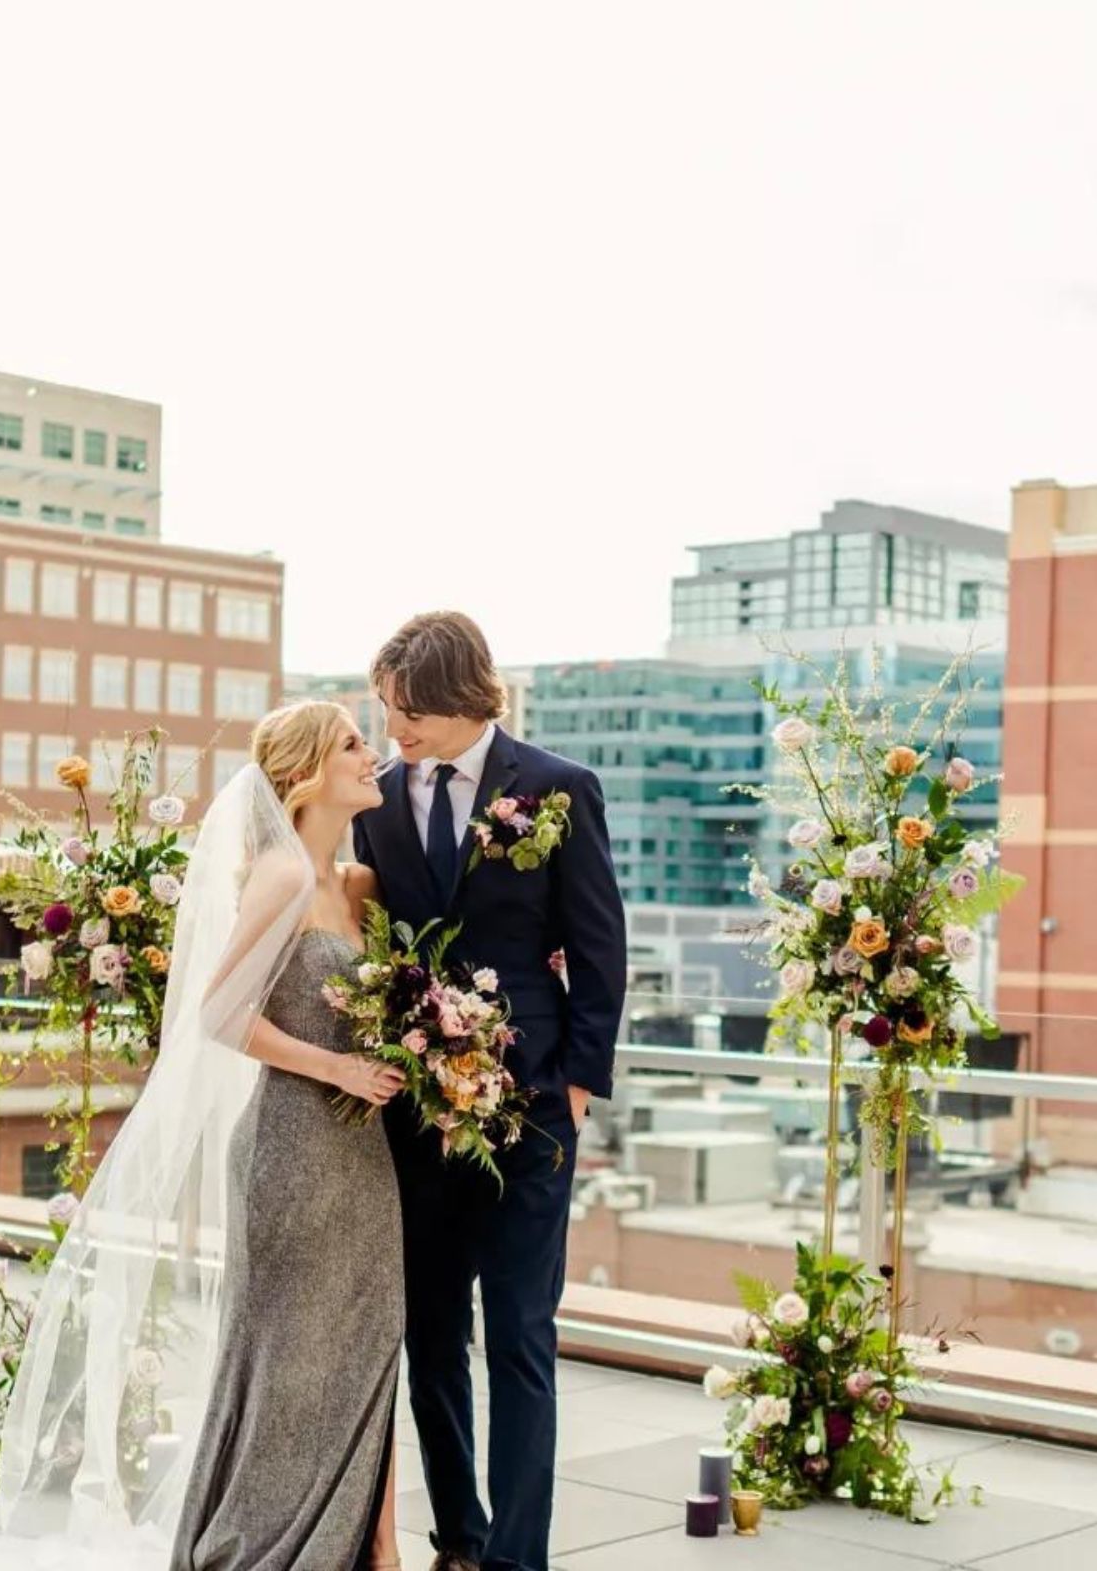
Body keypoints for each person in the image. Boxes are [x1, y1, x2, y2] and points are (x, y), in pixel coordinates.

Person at [0, 701, 408, 1571]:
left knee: (368, 1339)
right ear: (308, 773)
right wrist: (342, 1071)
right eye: (354, 743)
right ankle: (272, 1542)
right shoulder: (278, 876)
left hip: (362, 1153)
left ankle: (370, 1545)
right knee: (285, 1358)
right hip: (292, 1145)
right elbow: (218, 1014)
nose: (373, 755)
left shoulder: (356, 886)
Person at [353, 612, 629, 1571]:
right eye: (385, 713)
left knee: (519, 1336)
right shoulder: (375, 800)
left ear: (461, 696)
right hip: (415, 1115)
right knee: (430, 1335)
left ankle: (518, 1558)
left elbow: (600, 948)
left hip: (535, 1108)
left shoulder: (556, 788)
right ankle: (459, 1540)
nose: (394, 732)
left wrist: (578, 1086)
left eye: (407, 713)